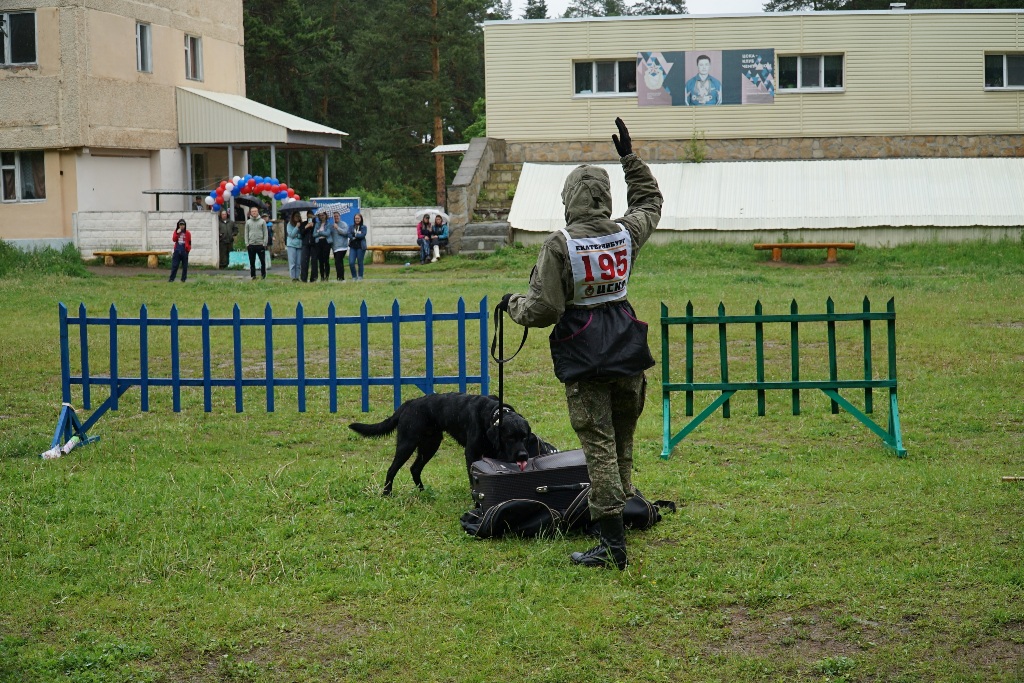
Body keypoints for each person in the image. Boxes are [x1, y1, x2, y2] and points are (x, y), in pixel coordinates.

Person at [497, 118, 663, 571]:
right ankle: (623, 515)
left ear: (568, 200)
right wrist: (630, 160)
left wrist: (512, 305)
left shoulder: (559, 245)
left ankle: (611, 545)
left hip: (586, 356)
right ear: (605, 199)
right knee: (623, 442)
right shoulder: (625, 233)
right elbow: (650, 201)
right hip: (629, 351)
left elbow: (543, 310)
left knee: (599, 448)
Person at [244, 206, 268, 280]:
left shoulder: (262, 221)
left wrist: (264, 243)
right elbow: (246, 233)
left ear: (258, 212)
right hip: (251, 244)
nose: (254, 213)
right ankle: (253, 276)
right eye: (252, 211)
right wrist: (247, 243)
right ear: (250, 213)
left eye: (255, 211)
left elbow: (265, 232)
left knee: (262, 261)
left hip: (260, 244)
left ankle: (263, 275)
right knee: (252, 262)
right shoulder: (248, 222)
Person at [313, 209, 332, 282]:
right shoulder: (317, 224)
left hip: (326, 242)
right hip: (318, 242)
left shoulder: (329, 224)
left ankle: (327, 276)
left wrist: (320, 232)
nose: (322, 217)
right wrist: (321, 232)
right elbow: (314, 234)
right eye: (320, 215)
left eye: (323, 215)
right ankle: (322, 276)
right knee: (320, 261)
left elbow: (327, 233)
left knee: (326, 260)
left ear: (326, 216)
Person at [331, 211, 350, 281]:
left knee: (338, 261)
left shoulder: (343, 224)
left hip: (342, 247)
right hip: (335, 247)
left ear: (340, 217)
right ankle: (339, 277)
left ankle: (341, 278)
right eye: (334, 216)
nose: (336, 217)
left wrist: (337, 228)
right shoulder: (333, 225)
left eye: (337, 216)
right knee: (337, 262)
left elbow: (346, 233)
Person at [348, 213, 367, 281]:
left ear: (361, 219)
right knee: (351, 262)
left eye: (358, 218)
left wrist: (355, 235)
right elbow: (349, 234)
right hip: (353, 247)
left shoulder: (363, 227)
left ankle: (360, 276)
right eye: (356, 218)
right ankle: (354, 276)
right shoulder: (351, 227)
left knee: (360, 262)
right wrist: (355, 235)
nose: (357, 220)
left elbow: (363, 235)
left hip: (360, 247)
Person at [285, 212, 303, 281]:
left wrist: (297, 235)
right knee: (292, 263)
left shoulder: (301, 224)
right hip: (291, 245)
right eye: (295, 216)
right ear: (292, 217)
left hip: (299, 245)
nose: (297, 217)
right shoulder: (289, 224)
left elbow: (301, 235)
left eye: (298, 216)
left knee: (298, 263)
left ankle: (297, 277)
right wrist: (296, 227)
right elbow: (291, 235)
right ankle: (293, 277)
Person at [300, 212, 316, 282]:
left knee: (314, 262)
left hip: (314, 244)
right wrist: (306, 227)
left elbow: (317, 233)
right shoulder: (303, 224)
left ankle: (313, 278)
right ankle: (304, 278)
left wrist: (313, 227)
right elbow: (301, 233)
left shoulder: (316, 224)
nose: (310, 218)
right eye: (308, 216)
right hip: (305, 244)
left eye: (311, 216)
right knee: (304, 261)